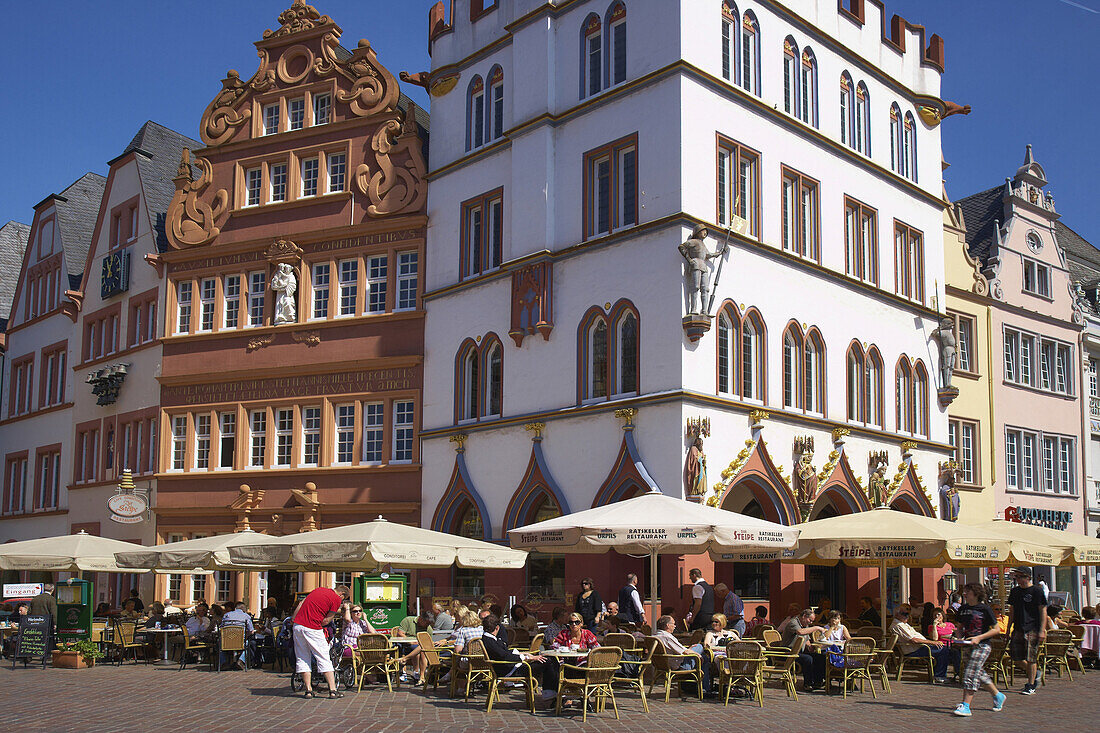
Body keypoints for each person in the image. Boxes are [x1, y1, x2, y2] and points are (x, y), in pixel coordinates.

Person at [952, 583, 1005, 717]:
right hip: (967, 644)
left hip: (982, 645)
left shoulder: (985, 609)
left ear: (975, 594)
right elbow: (959, 627)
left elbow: (996, 629)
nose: (964, 594)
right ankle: (998, 695)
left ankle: (966, 705)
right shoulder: (962, 609)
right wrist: (959, 638)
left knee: (970, 672)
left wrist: (979, 638)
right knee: (978, 672)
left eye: (967, 592)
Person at [291, 584, 350, 699]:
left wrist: (294, 619)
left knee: (302, 657)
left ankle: (308, 690)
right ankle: (333, 690)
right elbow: (327, 620)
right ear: (342, 594)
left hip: (298, 626)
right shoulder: (336, 599)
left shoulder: (318, 590)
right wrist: (320, 623)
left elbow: (301, 603)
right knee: (323, 657)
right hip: (312, 627)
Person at [479, 614, 552, 701]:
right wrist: (527, 658)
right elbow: (504, 656)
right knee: (548, 661)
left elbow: (505, 653)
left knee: (547, 660)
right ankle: (550, 692)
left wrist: (526, 654)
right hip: (510, 671)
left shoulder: (488, 638)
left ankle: (550, 692)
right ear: (497, 628)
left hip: (510, 667)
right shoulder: (490, 641)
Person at [890, 604, 959, 683]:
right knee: (943, 650)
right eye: (904, 614)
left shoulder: (903, 624)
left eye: (908, 614)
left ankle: (954, 673)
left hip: (919, 647)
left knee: (953, 651)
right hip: (914, 650)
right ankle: (939, 676)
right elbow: (914, 640)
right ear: (896, 614)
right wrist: (932, 642)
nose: (907, 616)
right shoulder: (898, 625)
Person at [1005, 567, 1047, 695]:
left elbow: (1043, 611)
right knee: (1016, 658)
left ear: (1027, 577)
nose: (1017, 579)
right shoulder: (1015, 592)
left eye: (1019, 576)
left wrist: (1042, 630)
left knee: (1031, 658)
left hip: (1032, 628)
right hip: (1018, 627)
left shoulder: (1037, 591)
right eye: (1015, 577)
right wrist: (1008, 628)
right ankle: (1035, 674)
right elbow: (1011, 611)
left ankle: (1030, 685)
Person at [653, 614, 712, 695]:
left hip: (662, 665)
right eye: (673, 624)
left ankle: (699, 687)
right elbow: (685, 652)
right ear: (668, 625)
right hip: (679, 666)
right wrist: (697, 654)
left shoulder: (655, 636)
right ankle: (704, 689)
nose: (675, 626)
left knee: (704, 658)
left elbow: (681, 650)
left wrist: (690, 650)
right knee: (700, 648)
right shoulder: (667, 637)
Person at [781, 608, 827, 691]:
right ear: (804, 616)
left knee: (820, 657)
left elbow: (806, 639)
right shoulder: (793, 622)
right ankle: (807, 684)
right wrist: (816, 627)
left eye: (812, 621)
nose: (810, 622)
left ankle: (818, 682)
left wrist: (810, 646)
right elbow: (800, 632)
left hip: (799, 652)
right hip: (789, 652)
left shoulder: (805, 625)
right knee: (807, 659)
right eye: (810, 620)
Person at [221, 599, 256, 669]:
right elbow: (251, 631)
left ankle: (224, 662)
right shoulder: (246, 616)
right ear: (244, 610)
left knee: (219, 644)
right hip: (239, 642)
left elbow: (221, 628)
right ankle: (241, 660)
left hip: (226, 642)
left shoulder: (226, 615)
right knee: (249, 643)